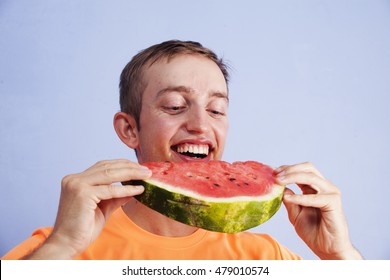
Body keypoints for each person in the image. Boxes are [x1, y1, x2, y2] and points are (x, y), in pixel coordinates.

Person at [2, 40, 362, 260]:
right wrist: (61, 247)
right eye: (175, 106)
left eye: (216, 110)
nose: (201, 125)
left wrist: (339, 256)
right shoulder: (53, 250)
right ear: (130, 130)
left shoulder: (264, 256)